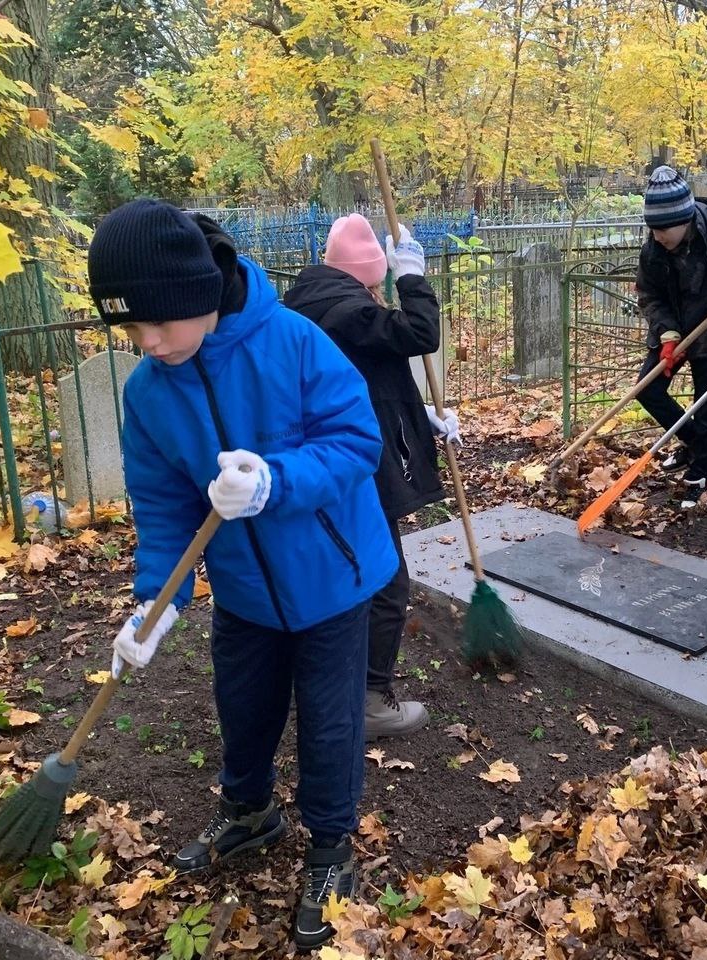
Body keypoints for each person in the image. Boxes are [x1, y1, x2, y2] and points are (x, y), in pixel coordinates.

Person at [88, 199, 397, 951]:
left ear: (199, 295)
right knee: (244, 705)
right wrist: (154, 605)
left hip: (333, 580)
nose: (147, 343)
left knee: (329, 724)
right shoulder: (150, 392)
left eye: (158, 322)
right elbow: (162, 505)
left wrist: (275, 482)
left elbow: (358, 441)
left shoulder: (293, 342)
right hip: (244, 590)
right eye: (130, 329)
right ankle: (251, 812)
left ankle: (330, 848)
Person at [283, 214, 458, 740]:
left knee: (346, 573)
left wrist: (418, 413)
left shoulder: (308, 304)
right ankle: (370, 699)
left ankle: (328, 683)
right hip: (357, 466)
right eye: (381, 279)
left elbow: (370, 375)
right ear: (370, 275)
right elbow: (420, 332)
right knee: (386, 581)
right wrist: (412, 278)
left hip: (326, 458)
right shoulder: (348, 310)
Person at [633, 165, 707, 507]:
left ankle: (702, 472)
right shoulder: (653, 250)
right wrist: (667, 333)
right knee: (647, 390)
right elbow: (649, 295)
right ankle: (695, 444)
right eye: (653, 229)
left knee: (706, 405)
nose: (658, 236)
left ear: (686, 220)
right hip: (676, 331)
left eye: (664, 229)